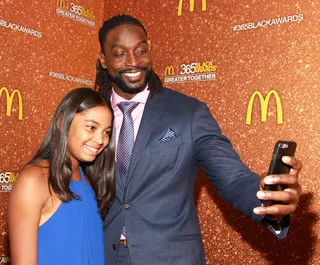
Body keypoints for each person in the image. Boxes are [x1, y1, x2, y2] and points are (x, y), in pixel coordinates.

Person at [95, 15, 302, 265]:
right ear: (104, 59)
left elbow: (234, 179)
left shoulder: (189, 112)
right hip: (102, 255)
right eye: (120, 54)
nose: (134, 61)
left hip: (171, 259)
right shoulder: (88, 114)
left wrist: (267, 198)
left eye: (141, 50)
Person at [8, 88, 115, 265]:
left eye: (107, 132)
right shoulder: (35, 180)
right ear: (61, 122)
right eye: (91, 127)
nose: (100, 139)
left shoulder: (87, 180)